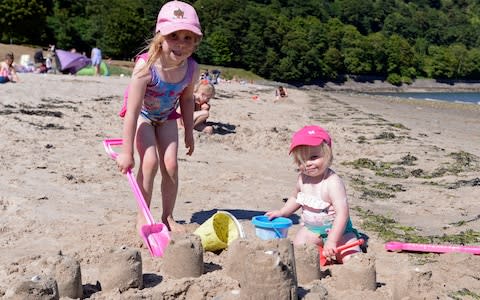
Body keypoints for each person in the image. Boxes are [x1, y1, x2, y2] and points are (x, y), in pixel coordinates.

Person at [116, 0, 202, 233]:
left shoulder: (192, 69)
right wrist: (126, 152)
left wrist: (189, 133)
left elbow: (186, 99)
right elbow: (132, 112)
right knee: (150, 162)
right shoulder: (146, 68)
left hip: (166, 117)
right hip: (143, 116)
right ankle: (143, 215)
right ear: (160, 37)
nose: (181, 44)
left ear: (195, 42)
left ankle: (167, 216)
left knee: (171, 165)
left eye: (188, 38)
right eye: (174, 36)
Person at [266, 125, 361, 264]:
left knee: (351, 259)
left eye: (314, 157)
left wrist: (332, 241)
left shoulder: (332, 182)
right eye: (301, 161)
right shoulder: (302, 179)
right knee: (298, 250)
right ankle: (321, 254)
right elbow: (296, 198)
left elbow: (342, 214)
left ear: (328, 154)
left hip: (338, 233)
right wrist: (283, 211)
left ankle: (337, 251)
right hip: (312, 230)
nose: (307, 164)